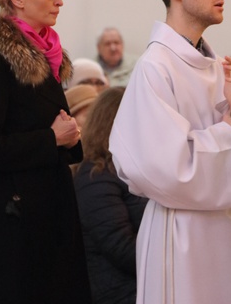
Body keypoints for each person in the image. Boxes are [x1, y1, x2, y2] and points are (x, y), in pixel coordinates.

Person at [109, 0, 231, 304]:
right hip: (179, 232)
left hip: (222, 225)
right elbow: (160, 167)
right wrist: (229, 132)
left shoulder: (219, 67)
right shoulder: (154, 68)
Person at [0, 0, 91, 304]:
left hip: (52, 207)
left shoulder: (46, 57)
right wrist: (52, 138)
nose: (59, 1)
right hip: (18, 219)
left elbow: (56, 132)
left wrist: (69, 136)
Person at [74, 87, 148, 304]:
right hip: (120, 290)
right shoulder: (95, 175)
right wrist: (171, 264)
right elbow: (119, 246)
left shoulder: (135, 169)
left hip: (141, 283)